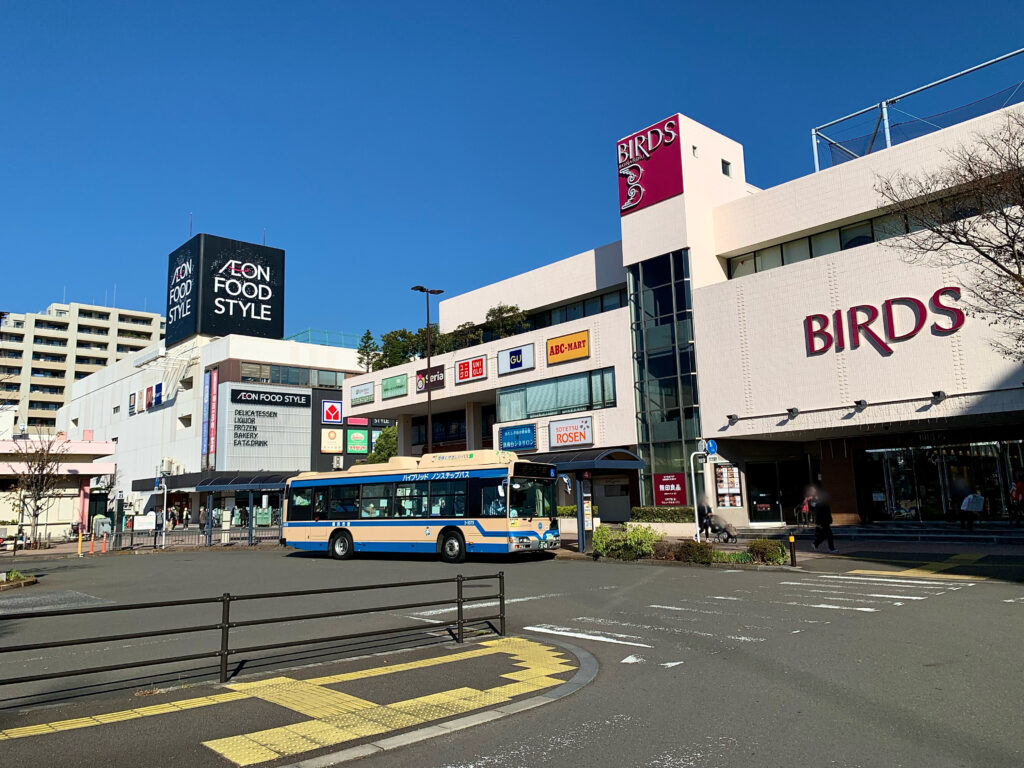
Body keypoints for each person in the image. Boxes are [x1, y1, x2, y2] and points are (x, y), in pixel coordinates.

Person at [808, 486, 837, 553]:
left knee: (825, 535)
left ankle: (815, 543)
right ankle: (831, 549)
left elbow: (827, 512)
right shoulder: (819, 503)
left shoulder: (822, 502)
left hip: (825, 521)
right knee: (829, 535)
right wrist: (819, 523)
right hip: (824, 521)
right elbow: (819, 514)